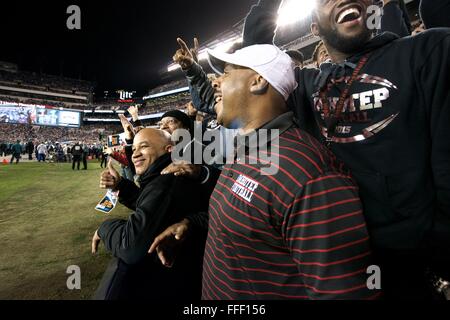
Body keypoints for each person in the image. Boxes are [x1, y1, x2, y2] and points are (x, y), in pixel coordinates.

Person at [176, 0, 450, 300]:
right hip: (332, 246)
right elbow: (254, 61)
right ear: (314, 26)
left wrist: (433, 252)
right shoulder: (307, 86)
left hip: (406, 261)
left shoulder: (426, 52)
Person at [160, 43, 378, 300]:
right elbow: (250, 220)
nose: (216, 83)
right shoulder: (249, 148)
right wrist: (191, 225)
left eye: (226, 73)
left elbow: (345, 293)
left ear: (258, 81)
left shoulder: (309, 176)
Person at [91, 128, 210, 300]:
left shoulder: (165, 182)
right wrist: (121, 186)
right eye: (134, 150)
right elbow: (153, 206)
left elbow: (130, 246)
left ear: (169, 149)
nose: (135, 155)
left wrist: (104, 227)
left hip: (170, 285)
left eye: (144, 147)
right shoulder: (163, 178)